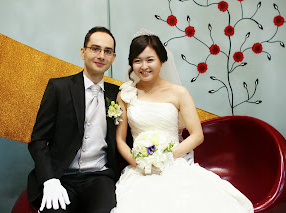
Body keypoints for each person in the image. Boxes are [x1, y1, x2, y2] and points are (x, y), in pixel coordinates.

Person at [111, 31, 254, 213]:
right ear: (131, 63)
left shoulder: (179, 92)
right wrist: (137, 161)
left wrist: (167, 157)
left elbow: (197, 135)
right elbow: (120, 139)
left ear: (161, 60)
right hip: (140, 169)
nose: (144, 66)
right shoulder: (125, 94)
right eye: (138, 60)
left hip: (173, 162)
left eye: (150, 59)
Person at [27, 26, 120, 213]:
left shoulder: (117, 95)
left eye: (107, 51)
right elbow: (37, 140)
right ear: (83, 52)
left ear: (113, 57)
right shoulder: (59, 88)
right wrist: (49, 180)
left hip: (99, 177)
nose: (101, 55)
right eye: (95, 48)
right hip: (61, 177)